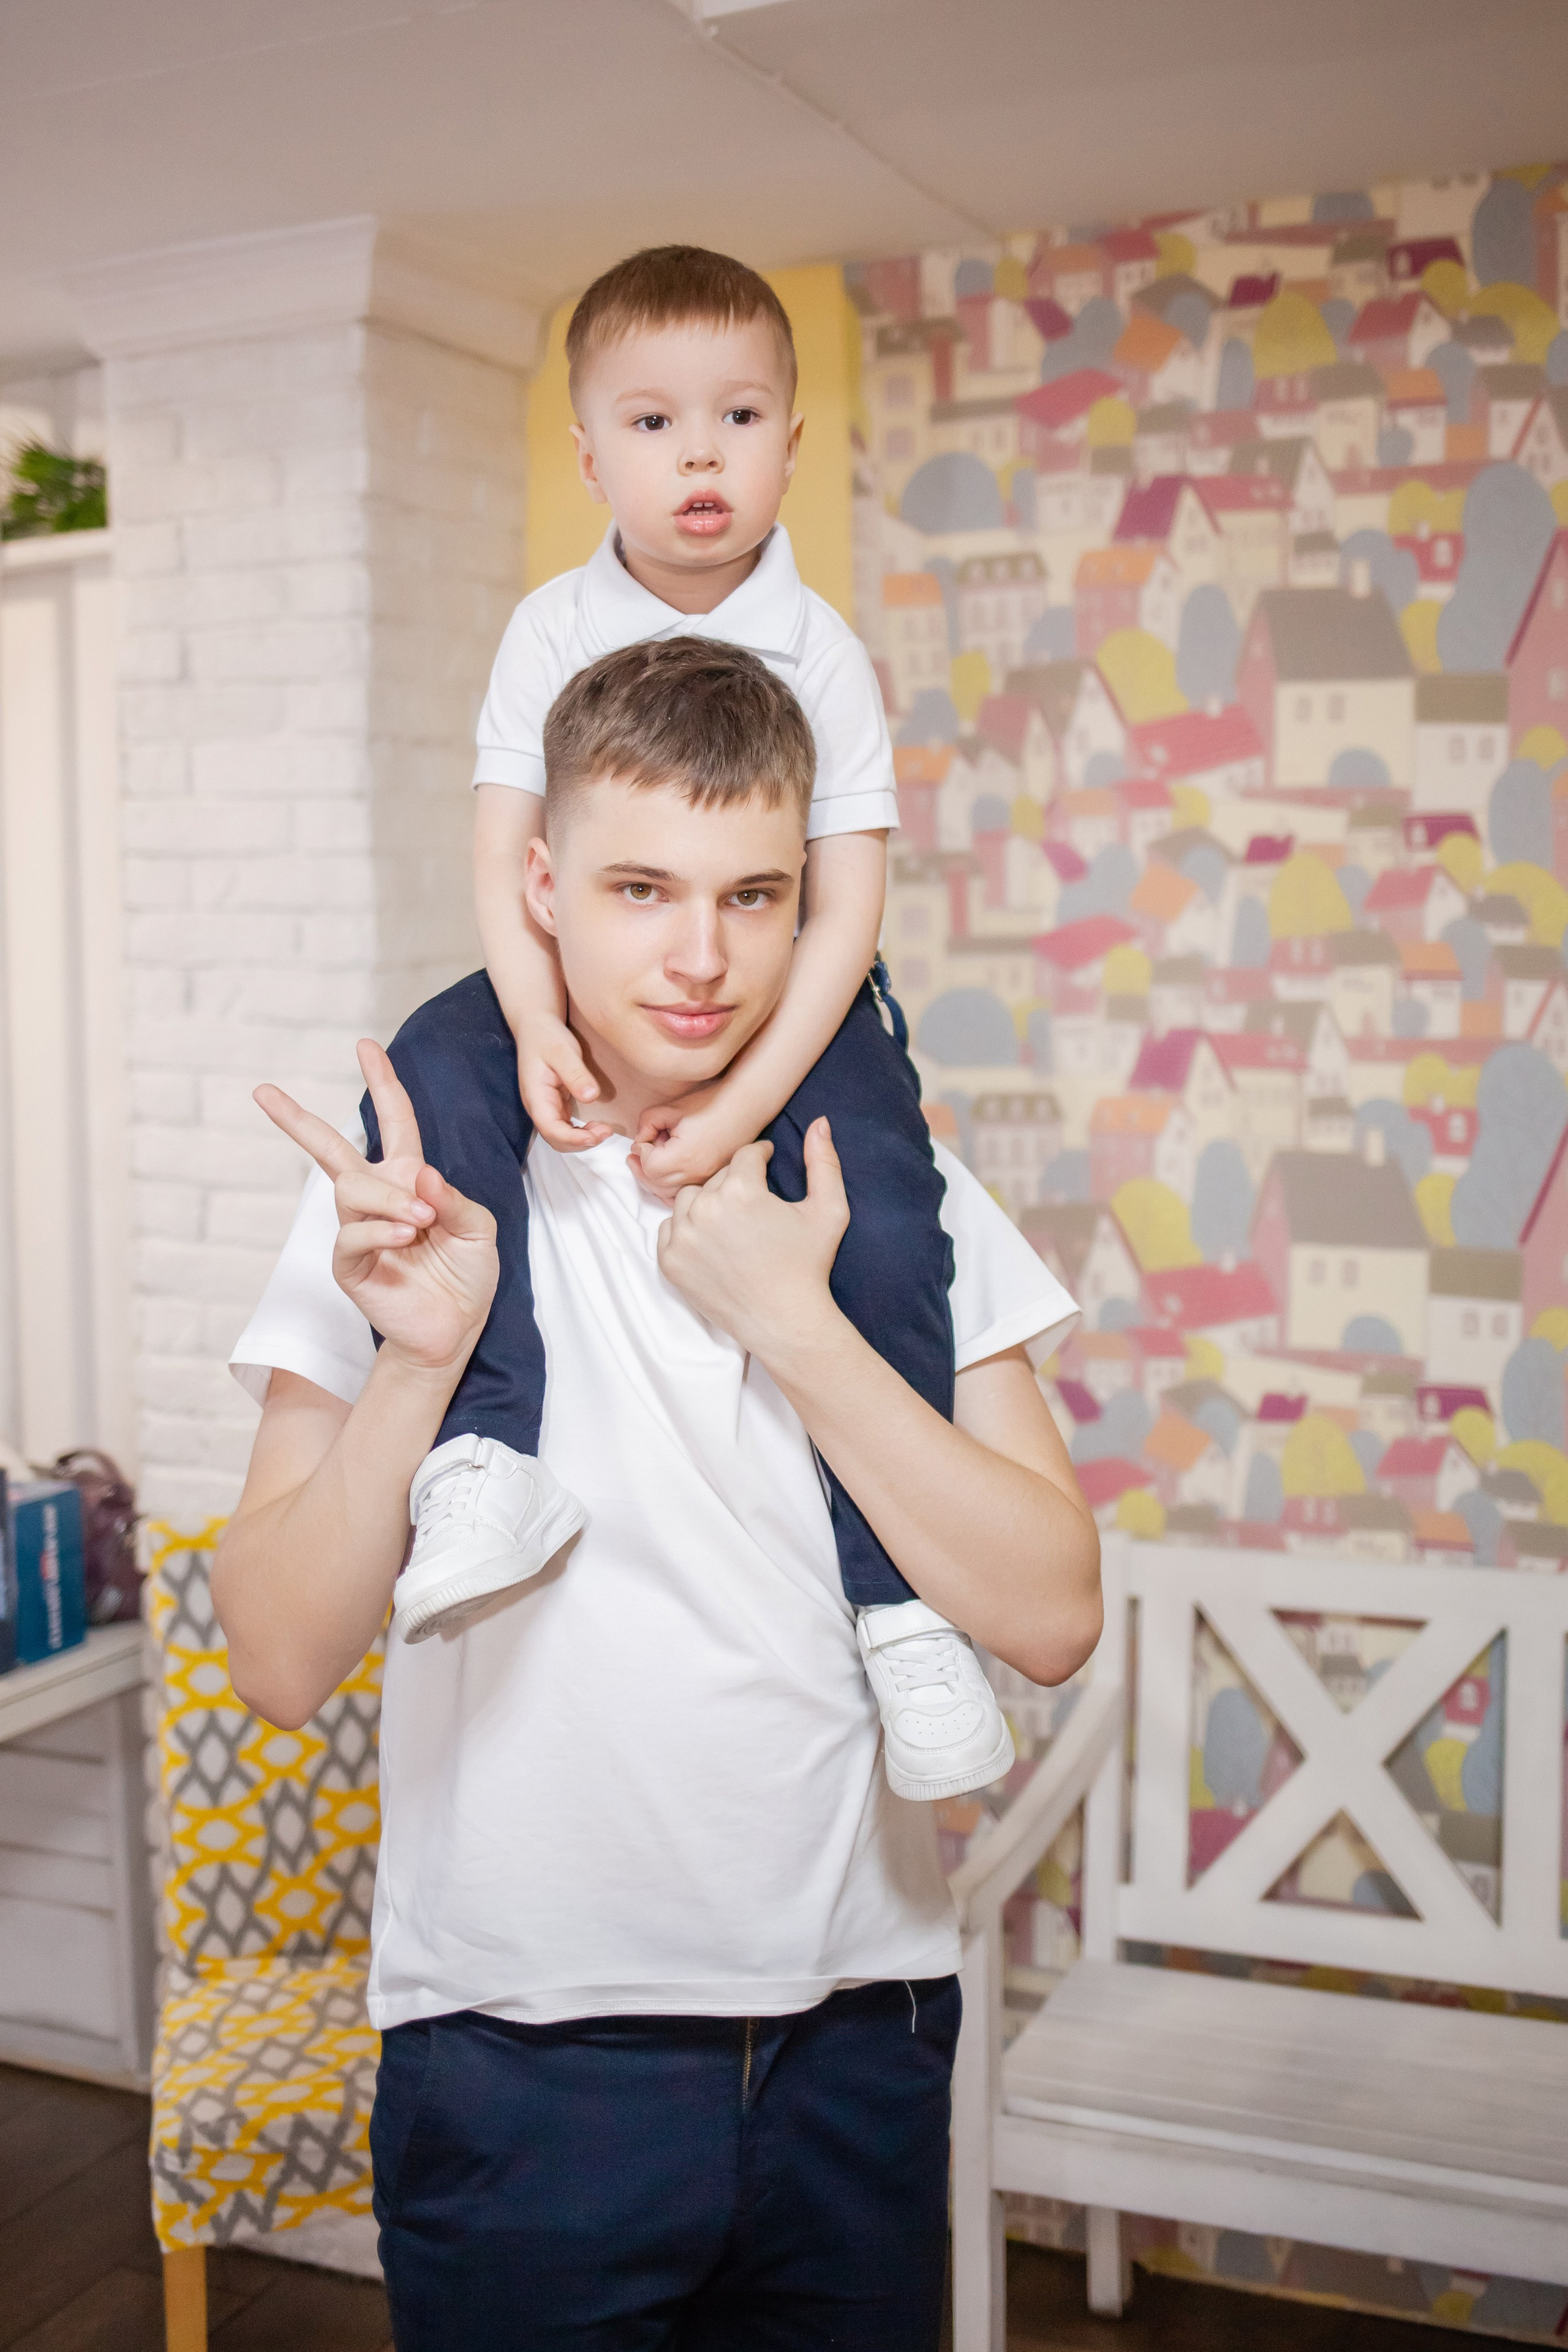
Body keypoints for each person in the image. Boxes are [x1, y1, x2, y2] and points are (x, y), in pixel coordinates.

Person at [214, 641, 1101, 2351]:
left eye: (754, 896)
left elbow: (1051, 1614)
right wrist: (419, 1365)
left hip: (860, 2039)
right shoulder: (413, 1187)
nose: (702, 960)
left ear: (811, 907)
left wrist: (802, 1328)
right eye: (640, 889)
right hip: (521, 2065)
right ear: (539, 887)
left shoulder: (889, 1194)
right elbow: (275, 1656)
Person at [383, 245, 991, 1790]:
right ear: (589, 456)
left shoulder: (825, 656)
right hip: (563, 976)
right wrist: (530, 1023)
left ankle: (899, 1602)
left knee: (894, 1225)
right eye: (652, 424)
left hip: (803, 1004)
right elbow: (499, 850)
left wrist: (735, 1112)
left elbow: (841, 915)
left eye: (736, 415)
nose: (699, 452)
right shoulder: (545, 627)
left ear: (791, 443)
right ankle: (485, 1454)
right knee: (433, 1070)